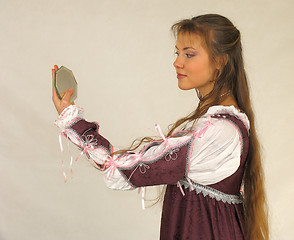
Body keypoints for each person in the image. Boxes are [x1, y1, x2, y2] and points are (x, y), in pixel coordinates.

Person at [52, 14, 269, 240]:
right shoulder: (219, 125)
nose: (177, 62)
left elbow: (118, 169)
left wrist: (71, 119)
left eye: (189, 54)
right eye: (177, 53)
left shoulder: (219, 132)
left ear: (220, 61)